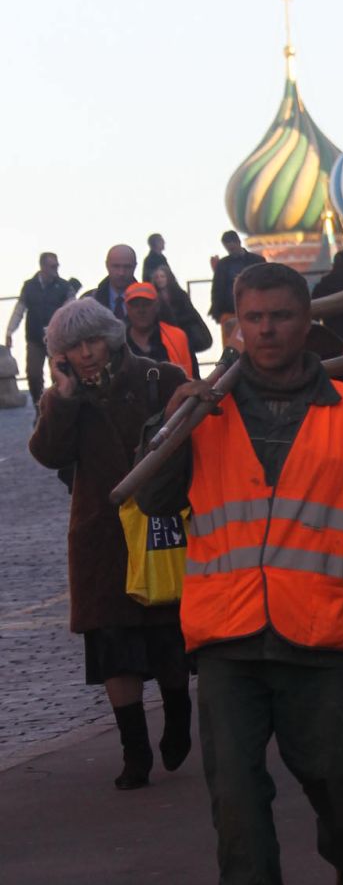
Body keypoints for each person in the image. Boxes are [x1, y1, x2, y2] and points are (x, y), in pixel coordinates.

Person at [136, 261, 343, 885]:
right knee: (234, 789)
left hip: (319, 632)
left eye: (281, 317)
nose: (266, 330)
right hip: (226, 633)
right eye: (253, 319)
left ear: (306, 322)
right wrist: (173, 424)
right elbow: (153, 501)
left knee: (340, 780)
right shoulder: (202, 406)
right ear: (234, 326)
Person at [28, 299, 192, 790]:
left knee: (167, 635)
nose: (86, 353)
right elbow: (47, 452)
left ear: (110, 336)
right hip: (100, 536)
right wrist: (61, 396)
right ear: (61, 356)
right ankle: (134, 751)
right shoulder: (66, 396)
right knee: (111, 643)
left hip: (159, 522)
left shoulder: (157, 376)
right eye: (73, 348)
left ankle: (179, 715)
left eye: (92, 341)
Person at [7, 253, 73, 409]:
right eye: (52, 266)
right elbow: (19, 310)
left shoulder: (64, 287)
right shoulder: (29, 286)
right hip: (34, 339)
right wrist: (9, 331)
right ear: (42, 266)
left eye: (57, 265)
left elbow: (72, 309)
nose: (56, 269)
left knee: (58, 375)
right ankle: (39, 405)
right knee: (33, 375)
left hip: (57, 340)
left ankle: (56, 407)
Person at [123, 279, 212, 378]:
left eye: (146, 304)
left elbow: (193, 380)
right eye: (135, 305)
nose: (141, 310)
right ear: (127, 308)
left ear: (157, 306)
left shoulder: (178, 337)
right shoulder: (117, 344)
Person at [209, 231, 264, 344]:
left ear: (238, 242)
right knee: (232, 347)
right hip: (229, 313)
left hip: (254, 311)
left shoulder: (258, 261)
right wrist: (218, 314)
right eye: (228, 249)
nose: (231, 252)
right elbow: (217, 289)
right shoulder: (222, 265)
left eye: (232, 249)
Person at [93, 245, 138, 320]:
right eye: (116, 266)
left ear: (134, 267)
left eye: (127, 267)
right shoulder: (91, 301)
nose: (121, 273)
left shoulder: (149, 304)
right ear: (107, 265)